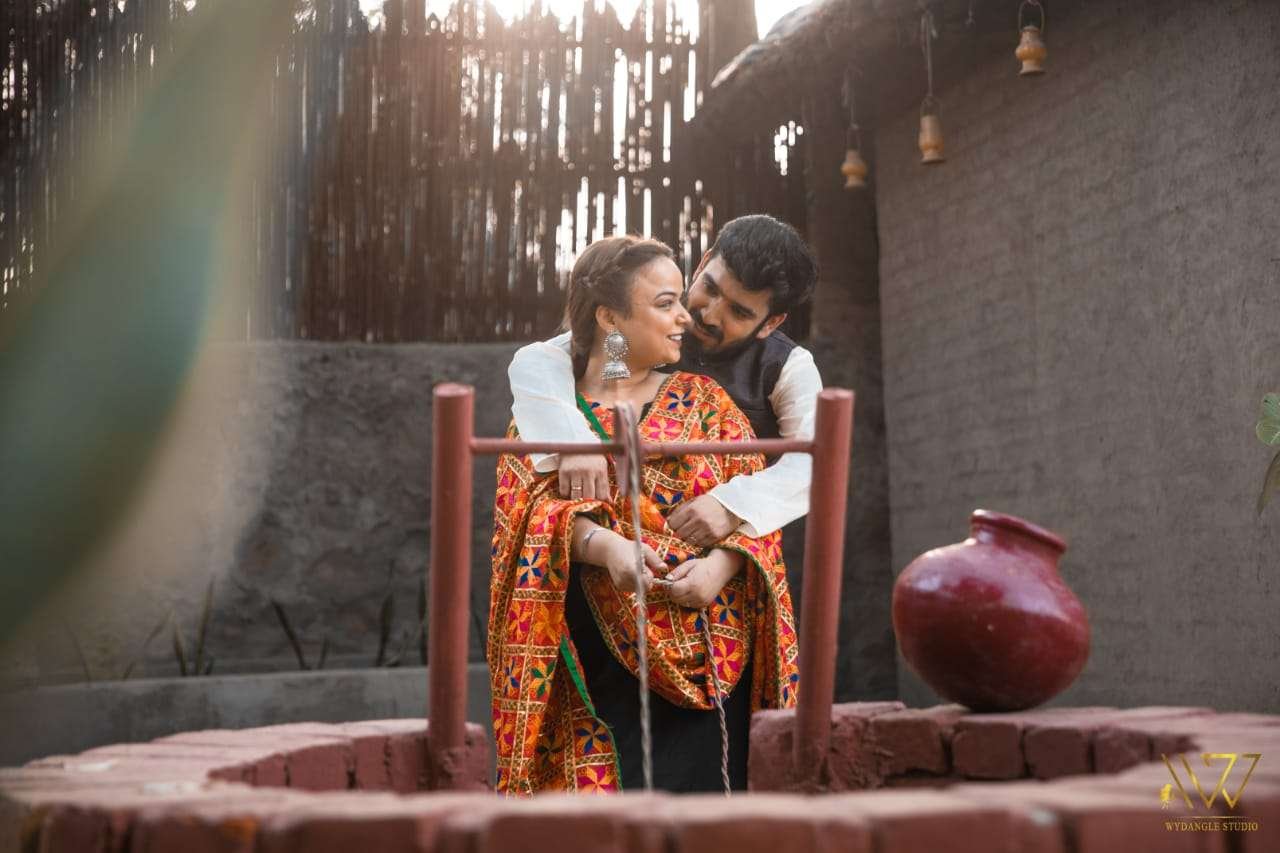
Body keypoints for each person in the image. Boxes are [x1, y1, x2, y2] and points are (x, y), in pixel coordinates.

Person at [489, 235, 799, 795]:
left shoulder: (708, 403)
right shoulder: (546, 415)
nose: (686, 317)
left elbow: (758, 515)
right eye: (664, 303)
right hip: (589, 669)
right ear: (609, 317)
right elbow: (523, 514)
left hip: (710, 656)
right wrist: (607, 547)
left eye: (681, 299)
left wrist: (719, 568)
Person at [507, 214, 822, 549]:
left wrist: (732, 506)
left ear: (771, 323)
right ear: (702, 263)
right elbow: (537, 361)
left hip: (724, 556)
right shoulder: (641, 327)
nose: (709, 315)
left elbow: (816, 460)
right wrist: (573, 443)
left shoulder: (787, 366)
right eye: (710, 288)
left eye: (739, 312)